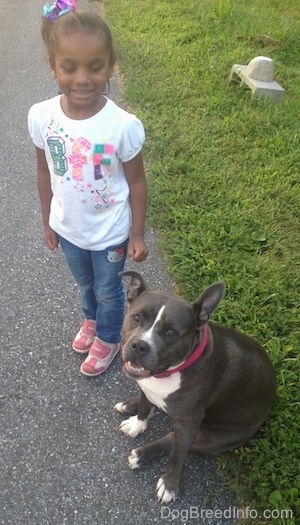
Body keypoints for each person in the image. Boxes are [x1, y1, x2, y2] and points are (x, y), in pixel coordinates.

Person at [28, 0, 148, 377]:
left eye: (95, 67)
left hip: (110, 231)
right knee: (85, 284)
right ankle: (93, 321)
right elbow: (44, 170)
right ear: (53, 67)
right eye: (69, 67)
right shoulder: (42, 117)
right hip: (69, 229)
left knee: (109, 289)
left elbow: (136, 180)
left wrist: (138, 234)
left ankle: (111, 336)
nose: (82, 78)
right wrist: (48, 222)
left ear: (109, 66)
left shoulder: (122, 126)